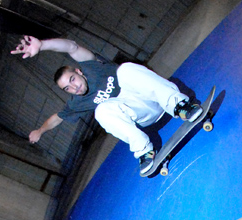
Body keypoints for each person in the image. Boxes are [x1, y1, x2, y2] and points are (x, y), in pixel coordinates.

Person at [11, 35, 203, 175]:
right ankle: (145, 151)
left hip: (155, 95)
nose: (74, 88)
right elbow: (56, 118)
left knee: (125, 70)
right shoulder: (78, 102)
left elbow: (71, 46)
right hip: (145, 115)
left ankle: (181, 107)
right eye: (67, 88)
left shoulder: (91, 65)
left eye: (73, 79)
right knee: (101, 111)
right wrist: (40, 131)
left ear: (79, 71)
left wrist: (43, 45)